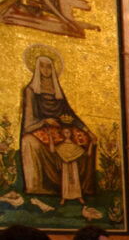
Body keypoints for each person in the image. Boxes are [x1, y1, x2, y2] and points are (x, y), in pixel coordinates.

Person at [19, 53, 96, 197]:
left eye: (49, 67)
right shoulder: (30, 91)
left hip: (61, 129)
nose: (46, 70)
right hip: (39, 128)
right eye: (42, 66)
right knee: (28, 142)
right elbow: (29, 122)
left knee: (87, 139)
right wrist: (44, 121)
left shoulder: (57, 91)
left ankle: (79, 187)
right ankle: (35, 186)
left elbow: (70, 115)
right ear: (37, 69)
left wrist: (88, 131)